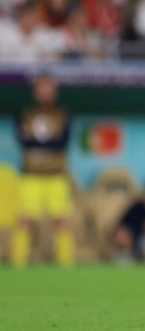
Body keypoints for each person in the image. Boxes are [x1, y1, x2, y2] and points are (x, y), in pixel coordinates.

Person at [12, 74, 74, 267]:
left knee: (62, 222)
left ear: (54, 92)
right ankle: (18, 266)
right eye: (41, 88)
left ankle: (66, 267)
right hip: (31, 176)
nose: (45, 92)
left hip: (56, 176)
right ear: (35, 92)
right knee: (24, 221)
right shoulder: (25, 114)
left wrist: (35, 142)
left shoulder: (63, 115)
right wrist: (45, 142)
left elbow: (61, 143)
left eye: (48, 88)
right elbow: (23, 142)